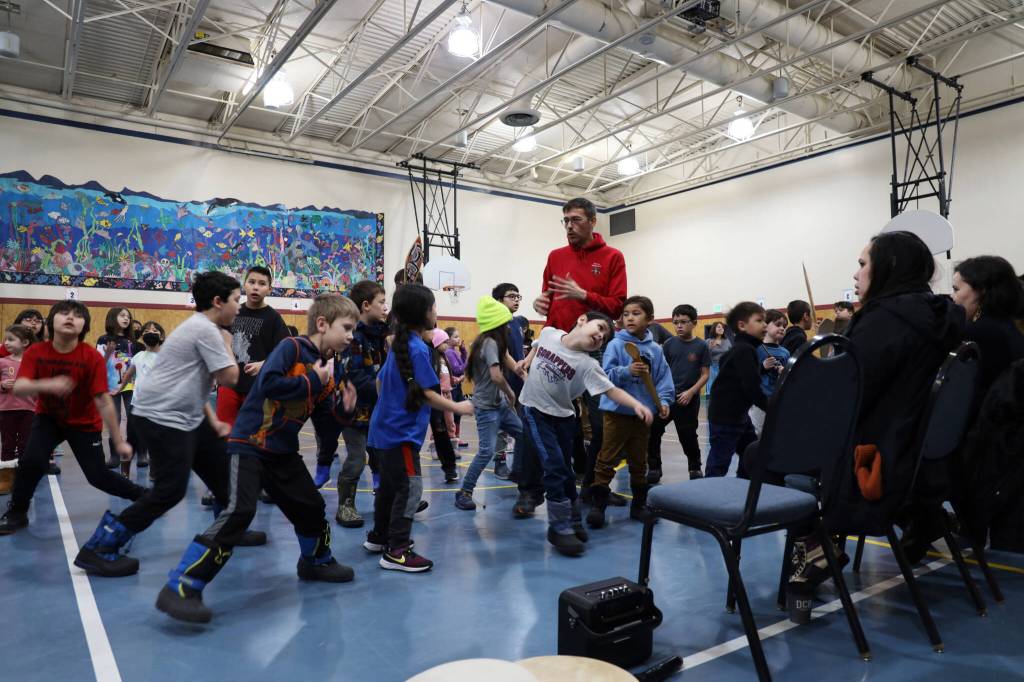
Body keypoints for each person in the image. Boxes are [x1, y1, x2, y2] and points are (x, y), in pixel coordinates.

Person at [156, 293, 360, 622]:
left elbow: (325, 424)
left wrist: (345, 411)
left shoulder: (326, 371)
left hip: (283, 452)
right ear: (322, 324)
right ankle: (181, 584)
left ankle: (315, 561)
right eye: (347, 328)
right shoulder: (292, 348)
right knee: (240, 510)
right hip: (251, 443)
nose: (351, 336)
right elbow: (269, 384)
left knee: (310, 506)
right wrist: (313, 380)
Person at [73, 272, 267, 578]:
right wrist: (229, 343)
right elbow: (230, 377)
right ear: (218, 302)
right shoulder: (206, 330)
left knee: (221, 475)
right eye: (235, 300)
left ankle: (229, 528)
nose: (239, 306)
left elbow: (191, 382)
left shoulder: (200, 327)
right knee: (170, 490)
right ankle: (100, 546)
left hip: (186, 414)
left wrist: (213, 421)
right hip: (161, 417)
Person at [825, 231, 964, 546]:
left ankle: (817, 553)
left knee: (763, 456)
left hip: (875, 456)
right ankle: (921, 516)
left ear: (888, 266)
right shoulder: (943, 316)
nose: (855, 274)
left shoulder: (882, 322)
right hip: (921, 453)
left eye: (863, 264)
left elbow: (846, 397)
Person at [0, 301, 146, 535]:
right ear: (51, 321)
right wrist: (48, 384)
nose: (70, 317)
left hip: (84, 423)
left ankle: (144, 496)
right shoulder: (37, 352)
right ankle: (17, 513)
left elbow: (103, 400)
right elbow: (20, 387)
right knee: (31, 461)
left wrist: (119, 441)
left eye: (77, 315)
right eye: (64, 313)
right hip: (48, 418)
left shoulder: (91, 357)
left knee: (98, 476)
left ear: (84, 325)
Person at [520, 311, 653, 556]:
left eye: (604, 337)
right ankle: (558, 527)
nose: (600, 336)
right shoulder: (550, 333)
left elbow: (611, 391)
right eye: (600, 328)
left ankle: (572, 519)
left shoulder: (588, 365)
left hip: (563, 417)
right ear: (582, 320)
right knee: (554, 467)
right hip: (535, 411)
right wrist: (527, 360)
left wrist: (636, 404)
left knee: (567, 471)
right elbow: (538, 343)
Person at [364, 284, 473, 572]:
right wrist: (460, 407)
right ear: (423, 312)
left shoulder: (400, 346)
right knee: (411, 488)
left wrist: (388, 407)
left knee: (389, 488)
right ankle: (397, 551)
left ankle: (379, 536)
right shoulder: (417, 349)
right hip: (400, 435)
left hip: (381, 431)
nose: (436, 311)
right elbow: (428, 394)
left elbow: (379, 383)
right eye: (434, 306)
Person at [586, 296, 673, 529]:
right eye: (626, 314)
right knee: (607, 458)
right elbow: (605, 376)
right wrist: (627, 371)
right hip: (616, 413)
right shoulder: (615, 345)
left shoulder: (655, 350)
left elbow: (663, 379)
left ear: (650, 319)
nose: (630, 318)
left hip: (643, 416)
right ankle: (598, 505)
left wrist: (664, 401)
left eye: (636, 313)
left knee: (638, 460)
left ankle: (639, 505)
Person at [315, 279, 388, 529]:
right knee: (357, 458)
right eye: (381, 302)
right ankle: (345, 505)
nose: (385, 307)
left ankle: (386, 499)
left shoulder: (381, 334)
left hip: (376, 410)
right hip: (353, 410)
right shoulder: (352, 337)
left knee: (380, 455)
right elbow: (353, 376)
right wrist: (384, 390)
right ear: (366, 306)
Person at [455, 297, 525, 511]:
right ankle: (464, 492)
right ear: (497, 324)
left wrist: (525, 376)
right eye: (506, 324)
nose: (509, 328)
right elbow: (496, 376)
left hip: (500, 405)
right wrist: (510, 393)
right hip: (487, 408)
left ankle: (519, 472)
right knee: (485, 452)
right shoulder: (490, 343)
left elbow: (510, 361)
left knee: (524, 434)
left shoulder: (493, 343)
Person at [217, 265, 290, 427]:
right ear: (244, 285)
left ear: (269, 289)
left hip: (258, 388)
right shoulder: (233, 312)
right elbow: (219, 343)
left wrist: (264, 364)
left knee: (251, 435)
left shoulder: (274, 318)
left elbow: (286, 353)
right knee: (225, 432)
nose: (256, 287)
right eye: (252, 282)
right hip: (229, 386)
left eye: (262, 284)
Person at [647, 304, 710, 484]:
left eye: (683, 322)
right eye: (675, 322)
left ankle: (694, 467)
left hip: (688, 400)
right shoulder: (669, 344)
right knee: (653, 430)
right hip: (666, 398)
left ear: (694, 323)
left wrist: (691, 392)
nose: (679, 326)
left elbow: (705, 374)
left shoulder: (701, 346)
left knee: (687, 435)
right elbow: (661, 371)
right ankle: (654, 467)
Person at [704, 302, 767, 479]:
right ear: (742, 326)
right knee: (719, 462)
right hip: (726, 418)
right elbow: (751, 386)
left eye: (765, 321)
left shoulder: (740, 350)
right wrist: (771, 406)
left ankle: (744, 484)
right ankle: (708, 491)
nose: (765, 325)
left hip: (739, 416)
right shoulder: (744, 351)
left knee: (751, 453)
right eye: (759, 320)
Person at [952, 256, 1024, 397]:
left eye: (956, 289)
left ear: (981, 291)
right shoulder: (1007, 325)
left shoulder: (979, 333)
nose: (952, 296)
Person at [115, 321, 165, 476]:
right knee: (132, 439)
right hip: (137, 406)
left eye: (154, 330)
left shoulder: (166, 356)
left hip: (159, 407)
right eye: (147, 331)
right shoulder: (138, 356)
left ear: (161, 336)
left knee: (158, 441)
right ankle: (125, 472)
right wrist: (120, 388)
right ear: (142, 336)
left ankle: (155, 470)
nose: (150, 333)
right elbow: (128, 374)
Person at [492, 283, 529, 480]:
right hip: (503, 381)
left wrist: (524, 372)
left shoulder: (517, 323)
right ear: (499, 300)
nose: (516, 300)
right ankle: (499, 462)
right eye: (511, 296)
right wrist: (518, 372)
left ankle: (520, 466)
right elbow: (504, 355)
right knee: (502, 425)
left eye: (518, 296)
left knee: (522, 425)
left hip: (519, 381)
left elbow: (518, 353)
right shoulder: (496, 324)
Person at [97, 307, 141, 469]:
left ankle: (135, 452)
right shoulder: (103, 339)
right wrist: (108, 353)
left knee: (133, 419)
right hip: (111, 386)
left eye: (128, 316)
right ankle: (114, 456)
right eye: (122, 315)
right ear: (113, 317)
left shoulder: (132, 342)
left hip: (130, 385)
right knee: (114, 419)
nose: (126, 318)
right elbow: (99, 364)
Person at [0, 325, 36, 495]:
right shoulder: (2, 362)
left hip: (28, 410)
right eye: (5, 339)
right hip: (6, 410)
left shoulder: (33, 363)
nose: (6, 343)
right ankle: (6, 478)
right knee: (7, 444)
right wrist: (2, 385)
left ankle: (23, 478)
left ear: (25, 342)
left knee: (25, 444)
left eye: (11, 339)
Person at [749, 309, 790, 435]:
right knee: (758, 433)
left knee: (776, 433)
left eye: (784, 326)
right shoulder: (756, 349)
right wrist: (762, 367)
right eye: (778, 324)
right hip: (759, 401)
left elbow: (790, 379)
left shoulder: (785, 352)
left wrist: (785, 372)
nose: (782, 328)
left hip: (778, 400)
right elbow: (748, 374)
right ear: (765, 326)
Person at [426, 328, 459, 483]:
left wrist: (453, 382)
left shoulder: (444, 357)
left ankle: (450, 467)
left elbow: (447, 375)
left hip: (445, 396)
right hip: (433, 397)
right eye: (444, 342)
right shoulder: (429, 356)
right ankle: (435, 449)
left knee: (446, 425)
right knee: (438, 426)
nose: (446, 345)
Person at [443, 327, 469, 448]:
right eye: (455, 337)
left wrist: (463, 351)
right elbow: (458, 369)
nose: (459, 339)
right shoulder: (449, 352)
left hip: (458, 387)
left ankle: (456, 437)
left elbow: (461, 365)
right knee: (453, 413)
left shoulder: (454, 351)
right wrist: (468, 361)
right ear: (448, 339)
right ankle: (451, 437)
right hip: (453, 388)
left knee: (458, 412)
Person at [706, 322, 731, 395]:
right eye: (719, 327)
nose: (721, 329)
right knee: (713, 388)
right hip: (713, 367)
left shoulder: (727, 341)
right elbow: (704, 356)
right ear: (714, 329)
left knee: (725, 388)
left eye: (722, 327)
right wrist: (710, 347)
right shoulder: (709, 341)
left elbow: (731, 353)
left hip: (725, 367)